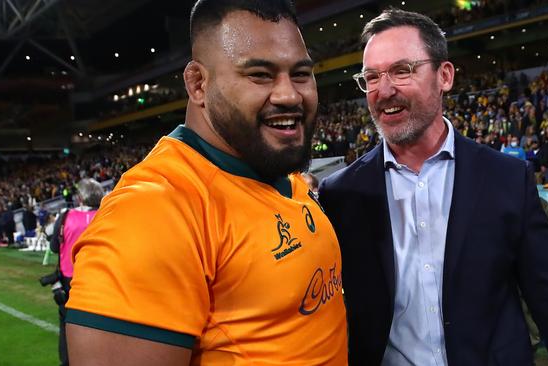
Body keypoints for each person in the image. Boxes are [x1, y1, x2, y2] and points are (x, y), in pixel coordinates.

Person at [65, 1, 348, 365]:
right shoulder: (154, 212)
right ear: (198, 84)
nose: (289, 95)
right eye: (260, 74)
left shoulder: (279, 171)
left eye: (300, 74)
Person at [319, 8, 548, 366]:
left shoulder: (506, 178)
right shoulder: (341, 194)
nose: (383, 90)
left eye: (402, 70)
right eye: (371, 77)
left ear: (444, 76)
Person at [48, 178, 104, 366]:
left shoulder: (65, 216)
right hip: (102, 280)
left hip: (70, 281)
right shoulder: (107, 215)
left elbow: (55, 247)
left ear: (80, 197)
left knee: (68, 330)